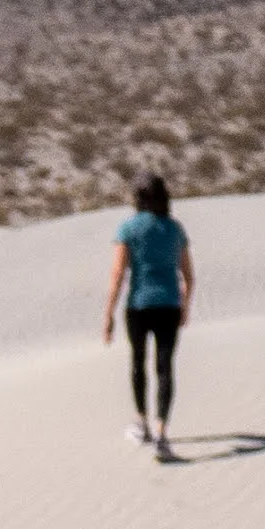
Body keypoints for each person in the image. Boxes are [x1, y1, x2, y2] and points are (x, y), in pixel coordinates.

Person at [101, 178, 192, 454]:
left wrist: (109, 313)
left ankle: (141, 423)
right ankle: (162, 430)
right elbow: (188, 276)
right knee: (165, 367)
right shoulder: (175, 229)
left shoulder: (128, 228)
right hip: (169, 305)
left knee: (138, 362)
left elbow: (118, 274)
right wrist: (185, 305)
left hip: (139, 306)